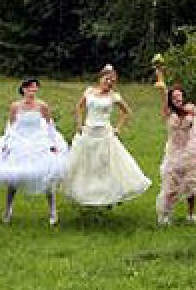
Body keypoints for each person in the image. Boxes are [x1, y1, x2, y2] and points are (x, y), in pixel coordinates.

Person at [61, 65, 151, 207]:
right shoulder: (89, 91)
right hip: (88, 132)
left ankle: (108, 195)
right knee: (86, 164)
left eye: (112, 81)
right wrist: (79, 124)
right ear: (100, 78)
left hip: (104, 134)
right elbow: (79, 107)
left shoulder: (114, 96)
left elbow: (126, 112)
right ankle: (86, 194)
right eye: (106, 79)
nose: (108, 82)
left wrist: (118, 128)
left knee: (105, 165)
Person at [0, 78, 67, 225]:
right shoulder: (15, 106)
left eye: (35, 88)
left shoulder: (42, 106)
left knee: (47, 173)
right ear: (24, 90)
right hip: (19, 140)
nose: (34, 90)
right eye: (31, 88)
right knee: (14, 175)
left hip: (38, 140)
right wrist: (7, 143)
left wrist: (52, 143)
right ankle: (8, 210)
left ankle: (52, 211)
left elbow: (50, 124)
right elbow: (11, 126)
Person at [154, 67, 196, 224]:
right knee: (171, 185)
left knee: (191, 183)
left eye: (180, 97)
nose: (178, 100)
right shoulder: (169, 112)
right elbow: (163, 93)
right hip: (175, 151)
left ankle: (191, 214)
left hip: (191, 149)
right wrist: (160, 75)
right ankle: (165, 215)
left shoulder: (189, 109)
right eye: (175, 98)